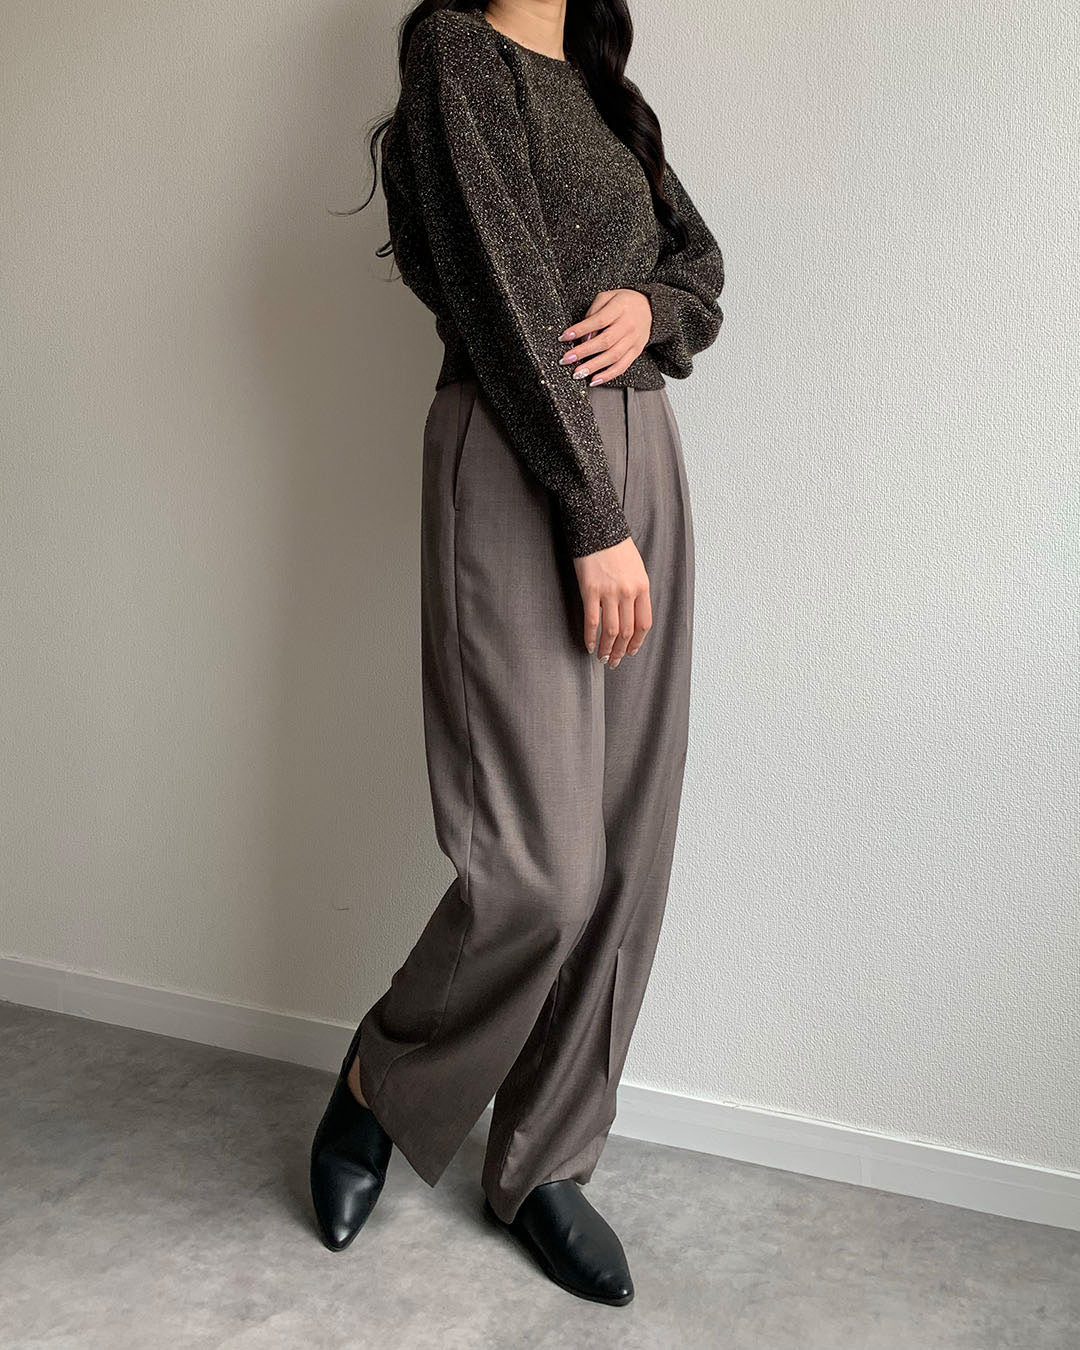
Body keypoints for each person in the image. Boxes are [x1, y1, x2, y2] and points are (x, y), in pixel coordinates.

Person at [309, 0, 724, 1307]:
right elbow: (498, 292)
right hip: (515, 448)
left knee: (627, 850)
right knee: (541, 869)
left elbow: (703, 270)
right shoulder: (457, 53)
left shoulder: (603, 92)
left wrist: (647, 301)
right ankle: (383, 1075)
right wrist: (594, 519)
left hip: (645, 449)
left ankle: (545, 1157)